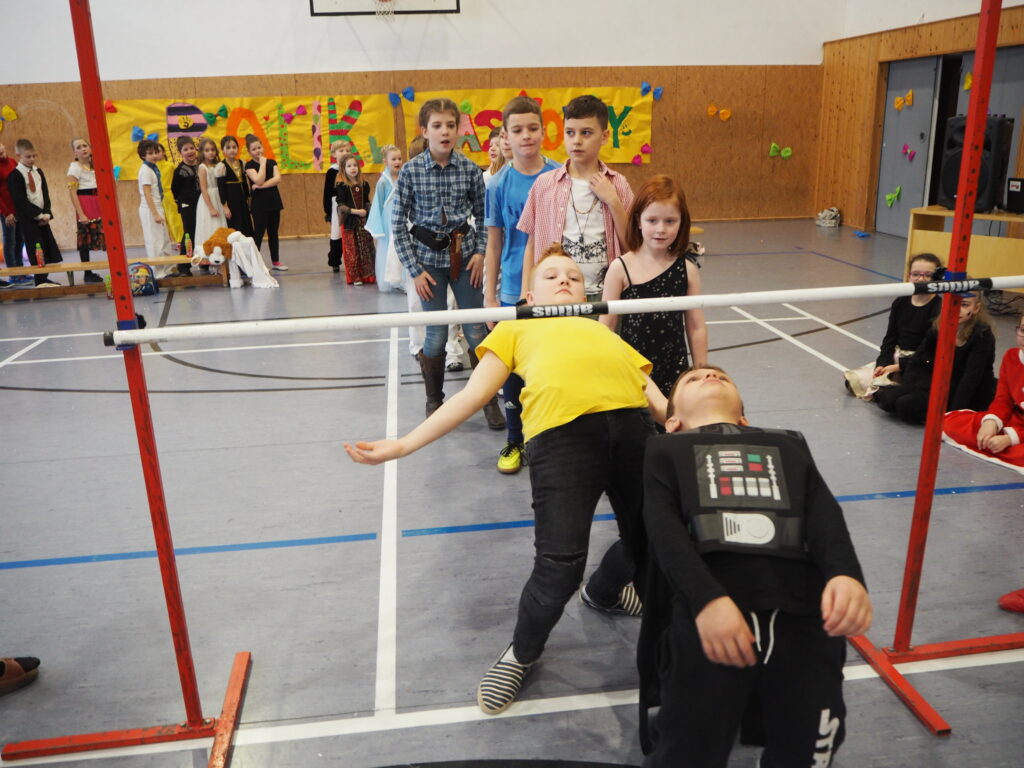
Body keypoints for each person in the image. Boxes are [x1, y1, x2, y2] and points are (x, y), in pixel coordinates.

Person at [346, 246, 669, 715]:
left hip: (634, 432)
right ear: (530, 296)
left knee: (652, 540)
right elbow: (475, 394)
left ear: (587, 295)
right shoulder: (517, 327)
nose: (565, 280)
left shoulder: (603, 332)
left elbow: (658, 402)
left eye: (574, 277)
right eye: (552, 275)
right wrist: (404, 445)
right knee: (560, 566)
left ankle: (604, 592)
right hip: (562, 440)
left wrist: (711, 428)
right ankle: (521, 653)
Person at [638, 365, 872, 767]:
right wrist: (706, 600)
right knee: (689, 747)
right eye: (693, 379)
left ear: (744, 418)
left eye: (721, 377)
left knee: (812, 744)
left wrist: (845, 573)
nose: (709, 377)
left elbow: (824, 515)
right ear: (672, 422)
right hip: (713, 618)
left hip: (804, 617)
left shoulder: (787, 445)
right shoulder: (664, 451)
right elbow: (665, 534)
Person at [391, 97, 501, 427]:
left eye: (450, 125)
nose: (445, 132)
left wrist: (479, 252)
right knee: (436, 334)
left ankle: (487, 398)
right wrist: (415, 271)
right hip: (427, 264)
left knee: (477, 331)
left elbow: (484, 216)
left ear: (458, 129)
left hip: (465, 260)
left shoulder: (469, 169)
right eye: (437, 126)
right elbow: (398, 225)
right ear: (425, 131)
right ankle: (434, 400)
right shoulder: (410, 171)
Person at [483, 95, 562, 474]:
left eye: (533, 128)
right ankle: (514, 439)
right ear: (505, 136)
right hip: (513, 291)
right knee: (513, 370)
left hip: (556, 289)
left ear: (544, 131)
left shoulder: (560, 176)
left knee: (555, 365)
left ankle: (555, 437)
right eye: (517, 130)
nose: (526, 135)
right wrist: (489, 298)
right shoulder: (498, 185)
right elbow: (494, 243)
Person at [517, 94, 632, 302]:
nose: (577, 141)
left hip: (607, 294)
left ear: (604, 136)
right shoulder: (544, 184)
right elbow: (531, 245)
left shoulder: (618, 184)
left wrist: (614, 202)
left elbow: (631, 245)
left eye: (586, 133)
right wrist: (525, 295)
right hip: (554, 295)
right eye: (570, 132)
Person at [601, 175, 707, 396]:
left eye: (670, 221)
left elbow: (696, 326)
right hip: (633, 370)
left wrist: (700, 372)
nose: (661, 229)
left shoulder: (687, 270)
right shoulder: (621, 268)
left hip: (674, 370)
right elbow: (606, 327)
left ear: (682, 223)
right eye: (652, 220)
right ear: (638, 221)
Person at [874, 290, 996, 424]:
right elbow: (919, 359)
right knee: (887, 399)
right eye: (952, 304)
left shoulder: (982, 335)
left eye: (964, 305)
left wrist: (952, 414)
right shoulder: (939, 327)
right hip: (939, 380)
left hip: (965, 387)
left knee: (906, 405)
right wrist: (909, 386)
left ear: (976, 308)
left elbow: (971, 378)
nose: (957, 309)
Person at [844, 253, 943, 399]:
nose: (921, 279)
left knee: (891, 396)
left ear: (937, 278)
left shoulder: (939, 308)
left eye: (928, 275)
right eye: (916, 274)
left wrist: (898, 367)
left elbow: (929, 352)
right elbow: (890, 339)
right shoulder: (901, 302)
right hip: (896, 358)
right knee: (852, 381)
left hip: (920, 363)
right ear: (909, 276)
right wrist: (883, 363)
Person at [942, 313, 1024, 473]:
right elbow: (1003, 399)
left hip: (1018, 432)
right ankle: (996, 446)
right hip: (1014, 420)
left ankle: (1002, 447)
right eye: (1023, 330)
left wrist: (1011, 438)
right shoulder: (1011, 356)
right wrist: (991, 423)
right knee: (949, 422)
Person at [6, 139, 62, 287]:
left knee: (45, 247)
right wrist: (38, 215)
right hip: (28, 219)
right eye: (28, 156)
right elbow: (20, 200)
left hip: (43, 217)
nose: (32, 159)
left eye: (34, 156)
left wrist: (47, 213)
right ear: (18, 156)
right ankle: (39, 279)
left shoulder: (38, 172)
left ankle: (44, 277)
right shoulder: (15, 176)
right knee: (35, 248)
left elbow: (45, 194)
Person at [66, 138, 105, 284]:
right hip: (85, 203)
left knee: (105, 233)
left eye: (85, 146)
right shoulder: (74, 168)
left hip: (98, 201)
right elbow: (72, 193)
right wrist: (81, 213)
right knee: (85, 239)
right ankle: (87, 273)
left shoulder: (95, 165)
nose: (83, 149)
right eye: (79, 147)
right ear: (74, 152)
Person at [245, 134, 287, 271]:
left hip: (273, 202)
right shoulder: (249, 165)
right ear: (249, 151)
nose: (257, 151)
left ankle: (275, 261)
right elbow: (258, 179)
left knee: (273, 233)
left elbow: (277, 179)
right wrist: (262, 164)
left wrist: (260, 187)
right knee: (258, 234)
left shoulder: (272, 162)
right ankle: (254, 263)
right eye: (254, 149)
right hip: (259, 205)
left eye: (259, 147)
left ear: (262, 147)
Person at [335, 151, 376, 286]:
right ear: (343, 169)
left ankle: (368, 275)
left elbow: (366, 201)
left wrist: (369, 209)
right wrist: (356, 212)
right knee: (351, 249)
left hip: (363, 221)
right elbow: (341, 205)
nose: (353, 168)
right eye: (349, 166)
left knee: (365, 248)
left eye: (355, 165)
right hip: (349, 222)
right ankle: (355, 277)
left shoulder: (364, 184)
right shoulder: (342, 186)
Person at [365, 143, 403, 291]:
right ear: (386, 161)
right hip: (388, 223)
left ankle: (402, 280)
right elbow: (377, 205)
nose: (397, 161)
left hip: (401, 219)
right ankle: (388, 281)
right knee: (388, 249)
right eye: (394, 159)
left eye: (399, 158)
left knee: (401, 248)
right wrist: (378, 227)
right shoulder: (382, 182)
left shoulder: (404, 177)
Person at [136, 139, 175, 262]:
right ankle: (158, 270)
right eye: (150, 153)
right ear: (143, 155)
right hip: (150, 209)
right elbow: (147, 193)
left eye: (155, 152)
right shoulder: (146, 171)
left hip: (158, 206)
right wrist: (155, 213)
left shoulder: (153, 167)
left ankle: (168, 267)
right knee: (155, 242)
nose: (154, 156)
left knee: (164, 239)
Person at [169, 136, 202, 276]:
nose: (190, 151)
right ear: (180, 152)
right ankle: (183, 266)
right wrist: (183, 202)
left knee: (202, 231)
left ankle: (204, 262)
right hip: (187, 205)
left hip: (201, 204)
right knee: (189, 233)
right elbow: (174, 189)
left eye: (192, 148)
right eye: (185, 149)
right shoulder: (180, 170)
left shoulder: (200, 165)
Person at [0, 141, 29, 287]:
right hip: (7, 211)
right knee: (10, 241)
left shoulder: (12, 162)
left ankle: (20, 272)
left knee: (20, 239)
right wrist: (6, 213)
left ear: (3, 145)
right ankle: (13, 275)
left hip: (18, 208)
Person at [194, 138, 226, 252]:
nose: (211, 152)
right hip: (208, 199)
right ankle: (209, 253)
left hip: (218, 197)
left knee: (220, 225)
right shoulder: (203, 168)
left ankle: (221, 253)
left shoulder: (217, 165)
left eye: (212, 150)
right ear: (202, 152)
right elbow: (203, 189)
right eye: (207, 150)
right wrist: (211, 208)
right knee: (210, 226)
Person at [216, 135, 252, 236]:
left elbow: (245, 183)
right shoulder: (221, 166)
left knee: (246, 223)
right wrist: (225, 207)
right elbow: (221, 188)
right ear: (223, 150)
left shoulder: (242, 163)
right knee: (235, 225)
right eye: (228, 148)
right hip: (231, 200)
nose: (232, 150)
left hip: (242, 199)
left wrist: (248, 198)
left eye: (234, 147)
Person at [323, 139, 348, 273]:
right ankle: (334, 261)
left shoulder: (352, 168)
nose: (345, 153)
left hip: (350, 205)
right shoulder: (332, 171)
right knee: (337, 235)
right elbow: (327, 193)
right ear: (334, 154)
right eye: (341, 150)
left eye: (347, 150)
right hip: (336, 207)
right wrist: (328, 212)